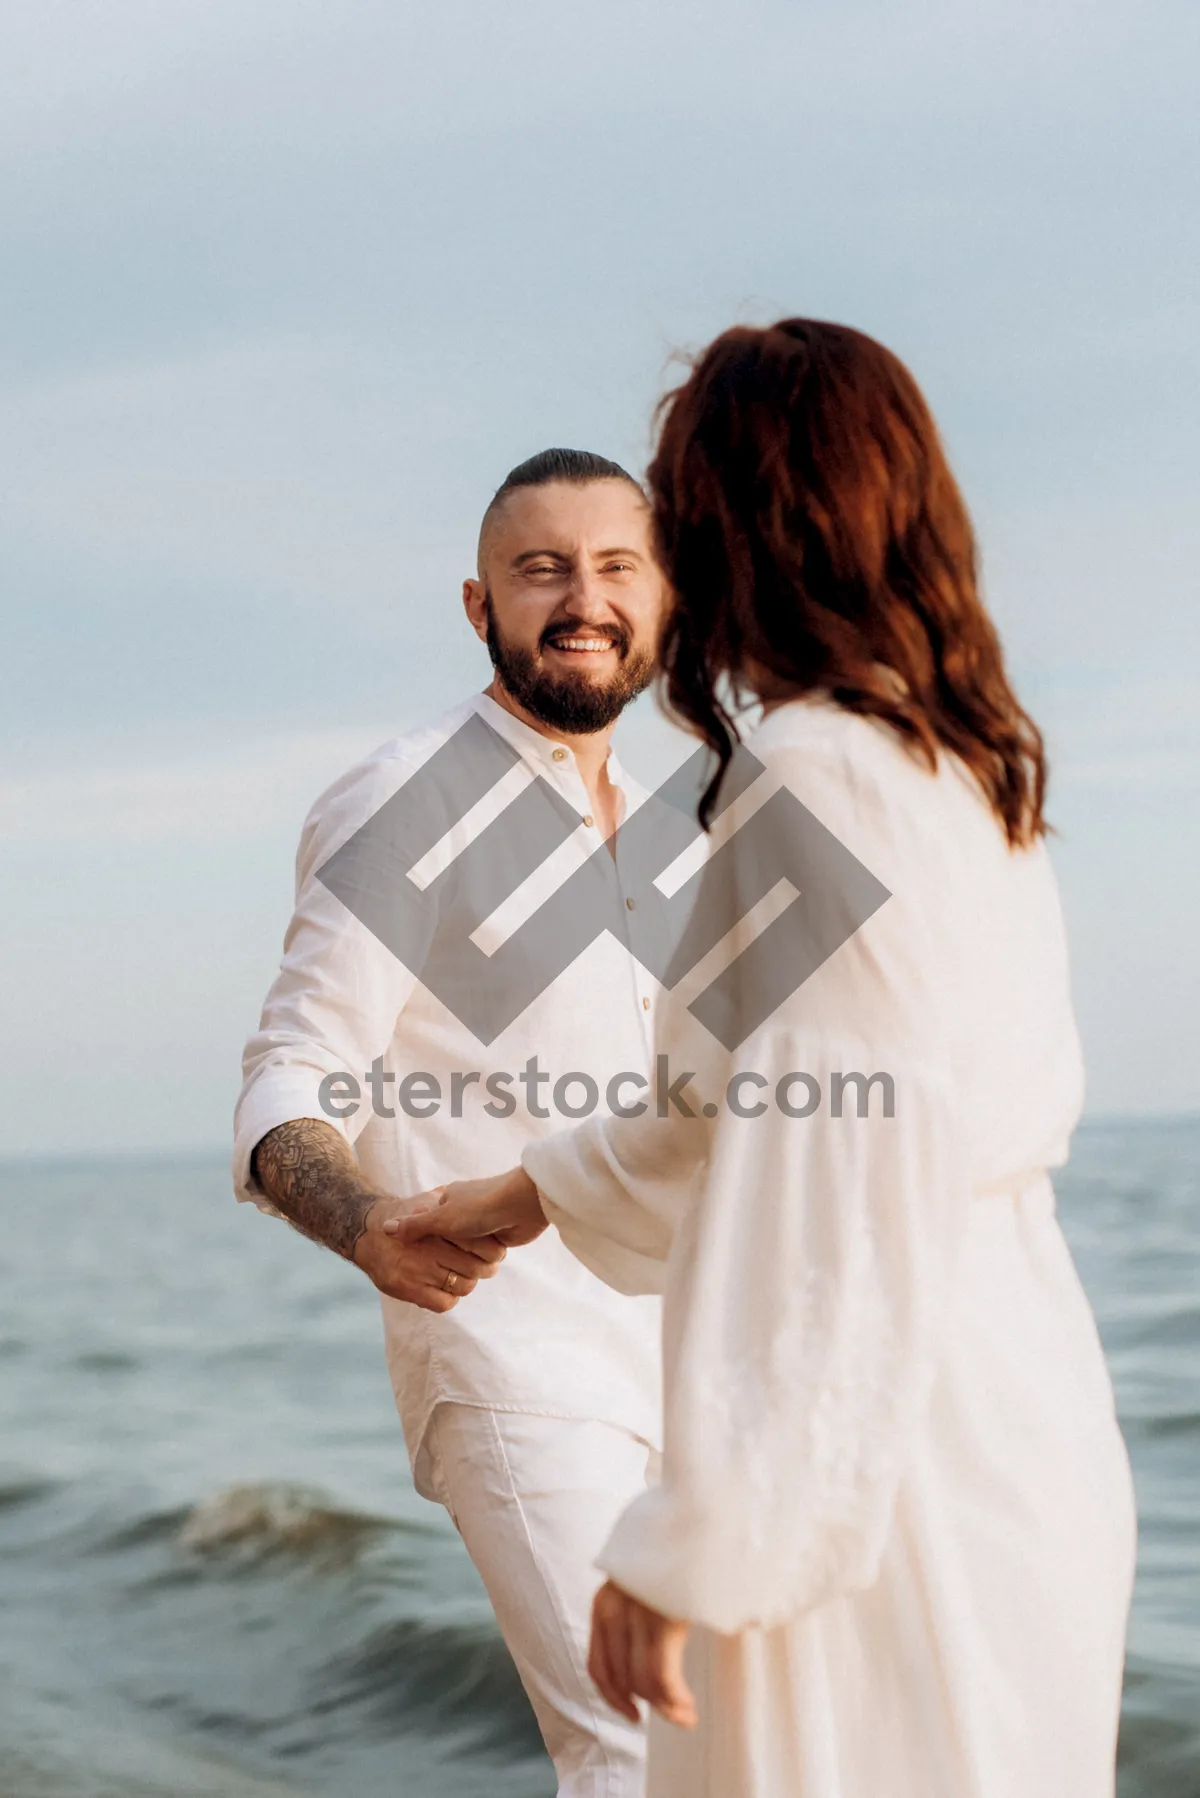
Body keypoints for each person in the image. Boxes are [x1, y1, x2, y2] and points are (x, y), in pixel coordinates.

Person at [390, 324, 1139, 1797]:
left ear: (744, 519)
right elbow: (731, 1106)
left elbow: (834, 1186)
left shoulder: (813, 776)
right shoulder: (958, 764)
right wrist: (522, 1195)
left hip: (891, 1446)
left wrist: (693, 1544)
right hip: (1014, 1397)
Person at [233, 447, 672, 1797]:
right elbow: (285, 1073)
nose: (580, 598)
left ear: (668, 601)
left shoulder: (683, 816)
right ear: (479, 604)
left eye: (615, 567)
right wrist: (363, 1220)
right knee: (637, 1748)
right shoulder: (402, 797)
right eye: (540, 569)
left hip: (695, 1361)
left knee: (752, 1752)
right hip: (512, 1358)